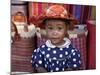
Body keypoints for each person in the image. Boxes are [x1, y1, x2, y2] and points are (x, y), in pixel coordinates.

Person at [31, 5, 81, 73]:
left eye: (59, 28)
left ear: (66, 29)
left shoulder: (72, 52)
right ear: (45, 28)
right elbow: (39, 67)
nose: (54, 33)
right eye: (50, 28)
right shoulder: (41, 51)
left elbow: (72, 68)